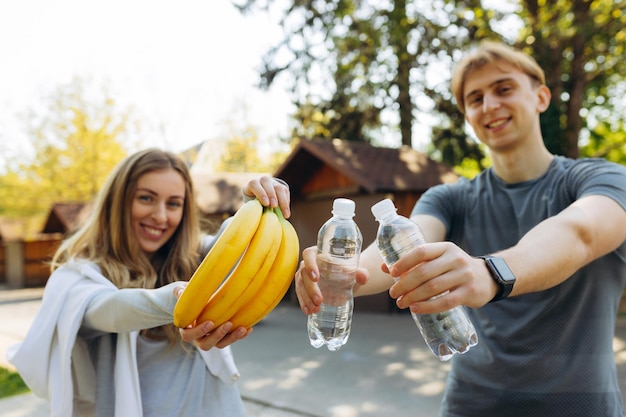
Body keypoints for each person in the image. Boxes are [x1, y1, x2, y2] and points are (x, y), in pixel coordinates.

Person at [295, 40, 626, 416]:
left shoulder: (603, 179)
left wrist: (489, 272)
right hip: (471, 406)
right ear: (468, 116)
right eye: (475, 98)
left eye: (504, 88)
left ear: (541, 97)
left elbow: (579, 233)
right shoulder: (452, 198)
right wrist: (338, 275)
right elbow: (401, 248)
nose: (490, 105)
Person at [8, 148, 291, 417]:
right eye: (146, 198)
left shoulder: (194, 258)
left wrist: (253, 205)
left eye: (174, 204)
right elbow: (109, 309)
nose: (160, 215)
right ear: (118, 201)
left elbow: (231, 246)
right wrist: (177, 299)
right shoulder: (77, 276)